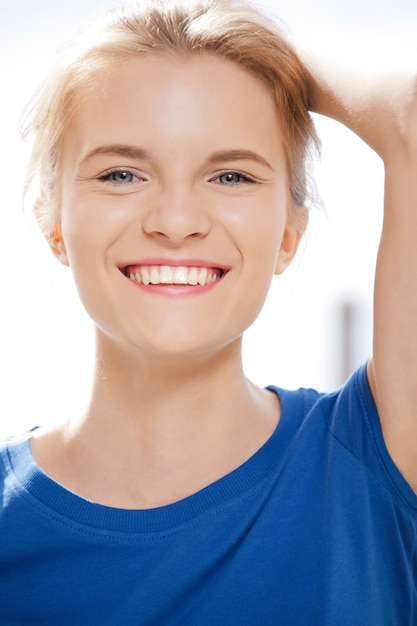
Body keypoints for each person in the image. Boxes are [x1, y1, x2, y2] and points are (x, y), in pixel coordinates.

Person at [1, 0, 416, 623]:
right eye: (120, 174)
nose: (175, 223)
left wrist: (246, 53)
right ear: (53, 223)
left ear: (288, 234)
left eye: (231, 177)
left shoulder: (373, 457)